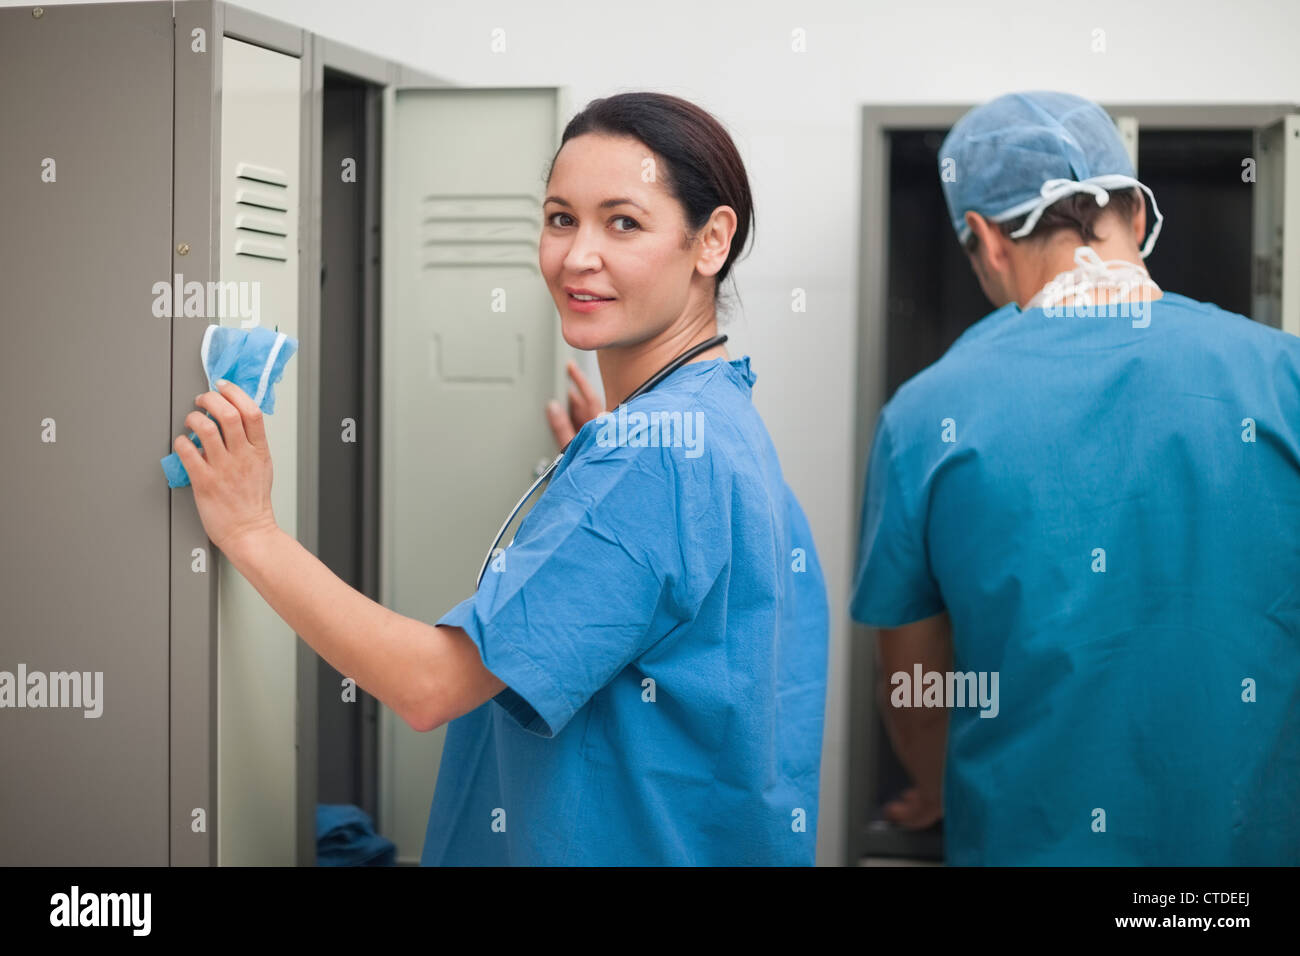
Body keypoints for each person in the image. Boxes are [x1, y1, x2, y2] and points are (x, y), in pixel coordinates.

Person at [173, 91, 829, 866]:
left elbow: (429, 688)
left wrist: (251, 531)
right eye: (560, 218)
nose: (577, 256)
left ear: (710, 240)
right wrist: (606, 458)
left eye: (623, 222)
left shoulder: (652, 458)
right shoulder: (717, 419)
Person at [851, 90, 1300, 865]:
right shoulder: (1283, 376)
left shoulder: (927, 415)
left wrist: (938, 784)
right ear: (1136, 206)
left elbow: (917, 694)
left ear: (988, 240)